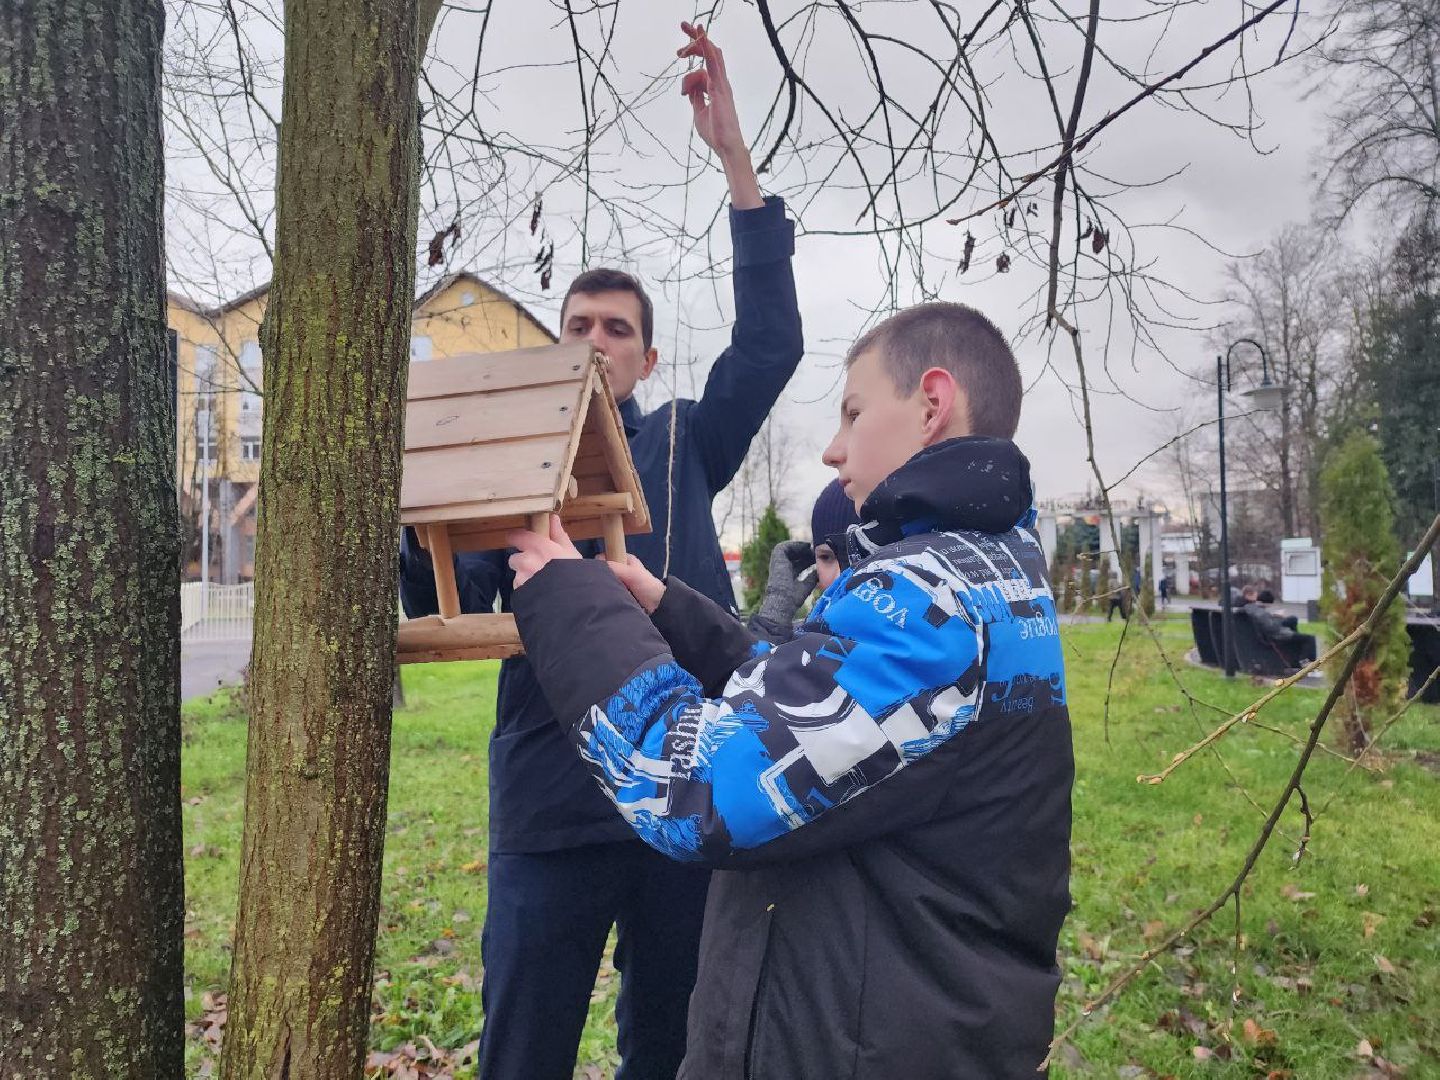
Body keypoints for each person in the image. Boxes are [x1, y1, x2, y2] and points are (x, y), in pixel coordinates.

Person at [508, 302, 1073, 1078]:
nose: (834, 450)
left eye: (853, 411)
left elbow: (692, 790)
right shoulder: (982, 571)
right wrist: (666, 610)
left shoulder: (931, 606)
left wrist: (573, 608)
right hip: (905, 1021)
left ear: (932, 404)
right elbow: (836, 718)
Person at [398, 23, 803, 1080]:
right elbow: (445, 582)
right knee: (520, 1050)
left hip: (676, 797)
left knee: (666, 1051)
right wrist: (416, 496)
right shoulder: (515, 468)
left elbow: (770, 346)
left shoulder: (685, 444)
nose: (592, 340)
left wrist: (733, 161)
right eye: (576, 324)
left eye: (615, 328)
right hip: (548, 804)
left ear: (647, 355)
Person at [747, 478, 861, 640]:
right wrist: (774, 621)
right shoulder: (803, 642)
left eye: (858, 556)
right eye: (826, 557)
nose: (839, 577)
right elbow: (753, 665)